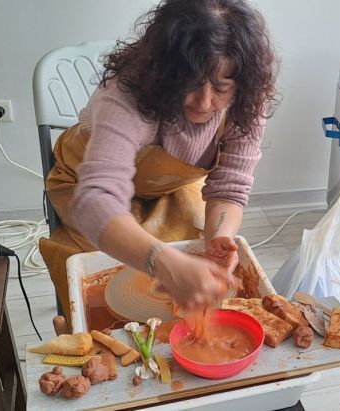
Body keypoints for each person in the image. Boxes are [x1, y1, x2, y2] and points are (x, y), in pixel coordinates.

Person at [38, 0, 278, 325]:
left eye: (221, 88)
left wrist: (219, 238)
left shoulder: (246, 98)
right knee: (101, 284)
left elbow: (229, 187)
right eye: (190, 84)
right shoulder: (126, 94)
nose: (204, 103)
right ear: (164, 75)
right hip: (85, 183)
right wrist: (162, 261)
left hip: (169, 188)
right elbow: (98, 201)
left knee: (196, 255)